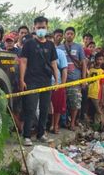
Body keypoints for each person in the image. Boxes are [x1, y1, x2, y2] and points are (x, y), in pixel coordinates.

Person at [19, 17, 59, 146]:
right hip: (31, 81)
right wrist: (21, 79)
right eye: (38, 27)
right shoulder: (29, 44)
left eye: (43, 27)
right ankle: (26, 136)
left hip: (46, 81)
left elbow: (54, 63)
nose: (41, 29)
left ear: (47, 27)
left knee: (44, 108)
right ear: (34, 28)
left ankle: (41, 134)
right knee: (30, 108)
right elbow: (23, 62)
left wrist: (56, 80)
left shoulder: (50, 45)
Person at [58, 27, 87, 130]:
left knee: (75, 102)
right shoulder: (59, 48)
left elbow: (83, 63)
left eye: (71, 34)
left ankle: (72, 123)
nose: (69, 35)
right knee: (62, 102)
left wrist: (83, 79)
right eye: (67, 33)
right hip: (62, 80)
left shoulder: (79, 47)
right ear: (64, 35)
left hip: (75, 80)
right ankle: (62, 123)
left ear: (74, 35)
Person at [46, 33, 68, 134]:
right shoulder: (41, 52)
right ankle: (47, 126)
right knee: (45, 106)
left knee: (57, 107)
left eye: (50, 40)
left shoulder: (59, 53)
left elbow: (64, 69)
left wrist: (62, 85)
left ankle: (55, 126)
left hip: (57, 83)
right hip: (43, 84)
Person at [87, 52, 104, 126]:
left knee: (98, 111)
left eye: (101, 59)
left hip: (96, 93)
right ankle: (89, 124)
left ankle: (97, 126)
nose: (99, 61)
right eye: (98, 59)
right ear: (95, 60)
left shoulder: (102, 72)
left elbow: (103, 85)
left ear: (103, 60)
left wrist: (102, 98)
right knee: (88, 109)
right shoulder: (90, 70)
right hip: (89, 92)